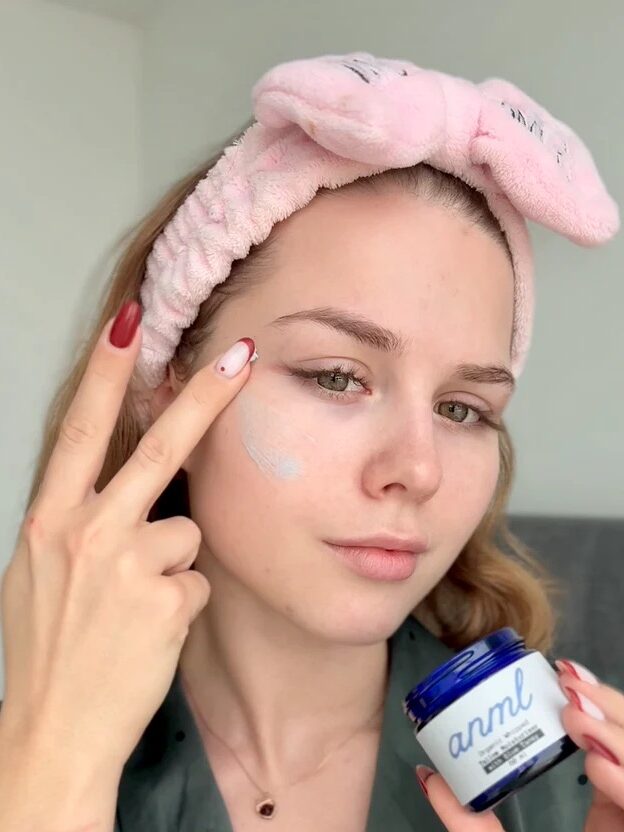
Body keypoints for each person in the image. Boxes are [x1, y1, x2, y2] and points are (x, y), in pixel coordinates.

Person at [0, 52, 621, 832]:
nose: (417, 470)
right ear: (170, 390)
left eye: (464, 409)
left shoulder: (570, 782)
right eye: (336, 377)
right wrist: (53, 767)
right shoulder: (28, 758)